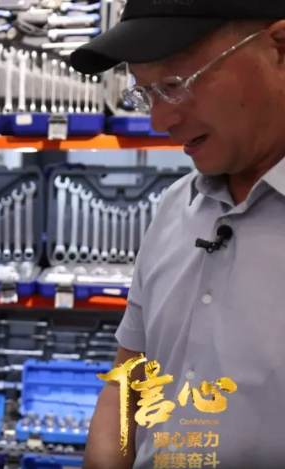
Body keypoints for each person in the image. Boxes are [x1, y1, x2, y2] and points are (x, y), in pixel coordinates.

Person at [70, 2, 285, 469]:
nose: (160, 122)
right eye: (145, 94)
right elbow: (128, 383)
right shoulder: (174, 207)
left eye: (175, 84)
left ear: (279, 49)